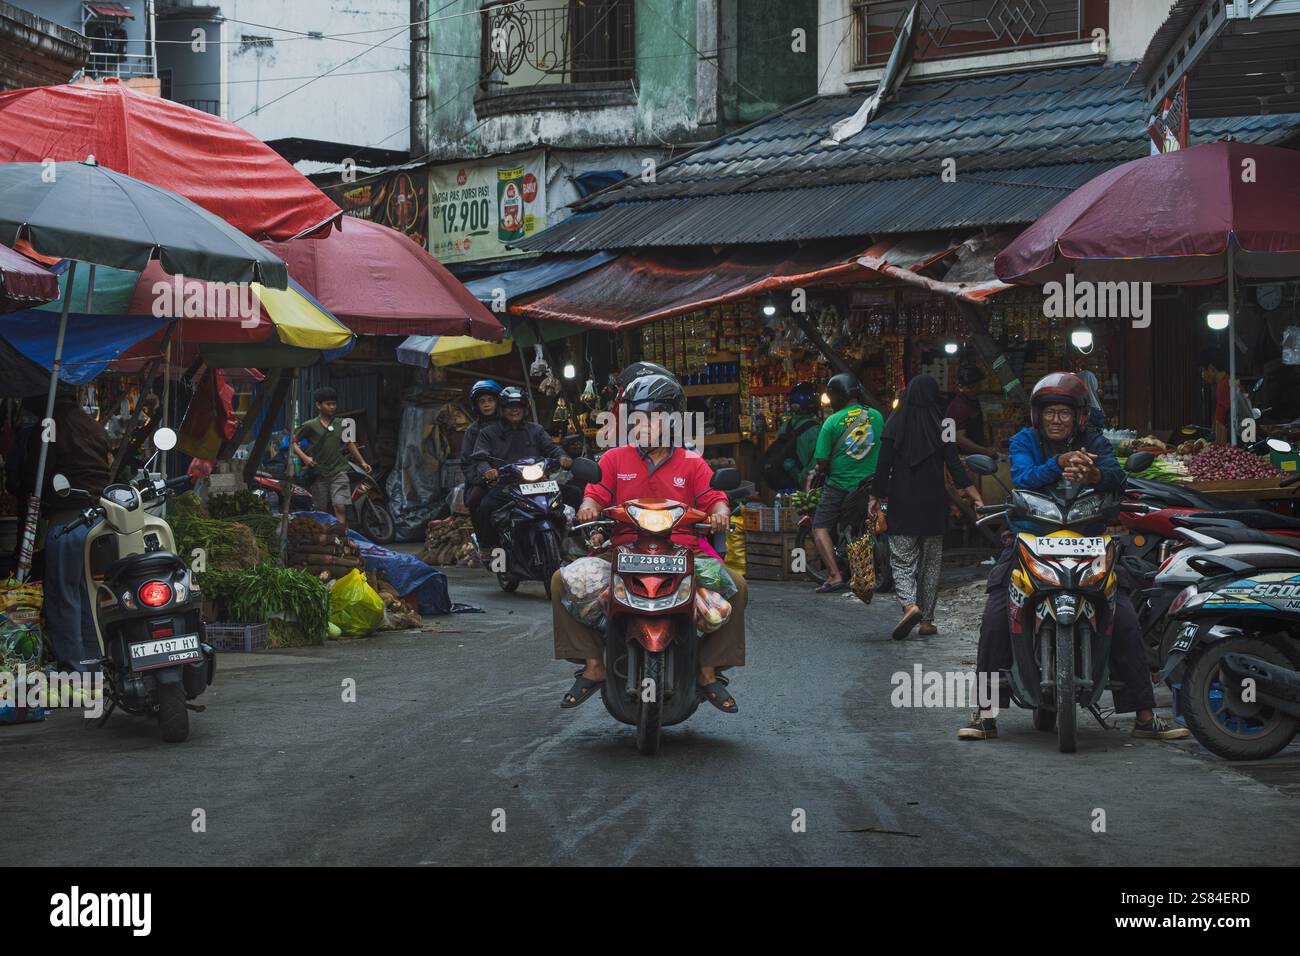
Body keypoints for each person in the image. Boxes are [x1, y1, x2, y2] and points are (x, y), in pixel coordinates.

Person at [958, 372, 1188, 741]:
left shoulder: (1094, 440)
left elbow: (1117, 477)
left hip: (1087, 543)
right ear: (1037, 415)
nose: (1056, 419)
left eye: (1064, 412)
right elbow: (1023, 475)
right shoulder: (1024, 440)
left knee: (1124, 617)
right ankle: (985, 713)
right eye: (1049, 412)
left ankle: (1145, 716)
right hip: (1031, 541)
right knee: (996, 616)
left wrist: (1095, 472)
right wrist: (1061, 462)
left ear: (1079, 416)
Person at [553, 372, 744, 713]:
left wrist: (719, 512)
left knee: (738, 587)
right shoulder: (614, 459)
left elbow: (714, 497)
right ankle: (593, 663)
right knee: (561, 581)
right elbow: (594, 495)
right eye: (635, 419)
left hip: (684, 553)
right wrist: (587, 509)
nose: (641, 426)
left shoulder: (691, 462)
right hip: (622, 551)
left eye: (650, 419)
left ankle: (707, 669)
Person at [872, 375, 983, 640]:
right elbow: (955, 465)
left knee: (901, 559)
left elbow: (883, 465)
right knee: (931, 563)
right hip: (934, 504)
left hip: (902, 502)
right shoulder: (944, 424)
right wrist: (975, 496)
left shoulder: (894, 422)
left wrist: (874, 497)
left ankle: (910, 606)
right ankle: (927, 621)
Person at [20, 388, 112, 672]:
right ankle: (95, 661)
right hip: (98, 520)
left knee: (64, 595)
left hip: (68, 521)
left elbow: (37, 475)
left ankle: (73, 666)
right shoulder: (91, 425)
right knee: (89, 595)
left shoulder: (49, 426)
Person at [805, 373, 885, 594]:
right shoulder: (877, 416)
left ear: (835, 396)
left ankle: (834, 575)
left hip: (841, 485)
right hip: (872, 483)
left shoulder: (832, 422)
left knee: (820, 526)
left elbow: (821, 460)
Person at [469, 386, 571, 557]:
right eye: (510, 406)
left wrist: (562, 457)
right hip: (507, 484)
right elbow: (480, 457)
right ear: (502, 409)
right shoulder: (488, 433)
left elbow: (552, 448)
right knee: (486, 507)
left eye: (518, 406)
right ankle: (490, 549)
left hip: (538, 483)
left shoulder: (536, 430)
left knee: (573, 493)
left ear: (525, 409)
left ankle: (566, 543)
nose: (514, 410)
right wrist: (488, 470)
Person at [292, 386, 371, 525]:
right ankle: (326, 540)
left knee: (339, 506)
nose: (332, 407)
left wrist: (362, 462)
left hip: (338, 471)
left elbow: (350, 443)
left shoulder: (342, 423)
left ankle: (341, 536)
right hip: (319, 474)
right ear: (318, 405)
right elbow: (293, 442)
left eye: (334, 404)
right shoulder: (310, 425)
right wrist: (305, 458)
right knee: (321, 510)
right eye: (328, 404)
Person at [461, 379, 501, 544]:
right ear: (476, 405)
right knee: (475, 501)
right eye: (482, 401)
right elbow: (466, 462)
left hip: (512, 475)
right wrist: (482, 478)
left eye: (490, 401)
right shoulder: (473, 430)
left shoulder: (508, 424)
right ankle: (485, 543)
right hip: (483, 478)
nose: (486, 405)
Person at [760, 382, 821, 491]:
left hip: (783, 481)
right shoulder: (816, 429)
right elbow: (816, 461)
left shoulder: (785, 425)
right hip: (802, 485)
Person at [946, 366, 999, 458]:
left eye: (978, 386)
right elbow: (958, 438)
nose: (975, 390)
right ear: (960, 387)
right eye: (971, 387)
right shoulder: (959, 407)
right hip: (964, 458)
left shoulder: (971, 400)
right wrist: (986, 451)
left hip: (973, 455)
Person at [1199, 348, 1231, 446]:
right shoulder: (1227, 381)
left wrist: (1212, 440)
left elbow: (1219, 420)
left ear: (1211, 369)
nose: (1202, 375)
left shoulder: (1223, 385)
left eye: (1203, 370)